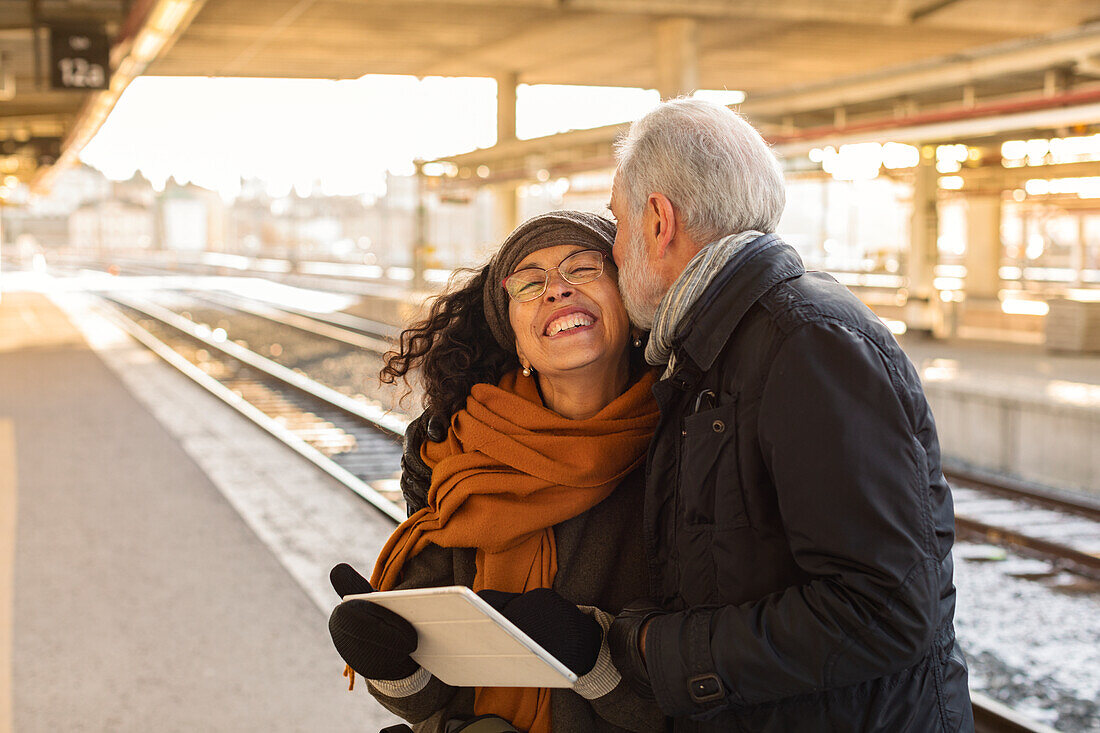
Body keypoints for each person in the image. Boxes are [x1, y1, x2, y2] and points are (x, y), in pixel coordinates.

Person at [600, 98, 973, 731]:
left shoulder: (806, 344)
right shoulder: (712, 346)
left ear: (660, 220)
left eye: (617, 222)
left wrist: (656, 651)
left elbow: (886, 608)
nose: (613, 248)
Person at [327, 211, 666, 733]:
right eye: (529, 283)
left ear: (631, 297)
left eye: (582, 267)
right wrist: (391, 664)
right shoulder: (453, 448)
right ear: (514, 338)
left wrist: (597, 663)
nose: (556, 289)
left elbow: (715, 694)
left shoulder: (688, 443)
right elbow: (431, 700)